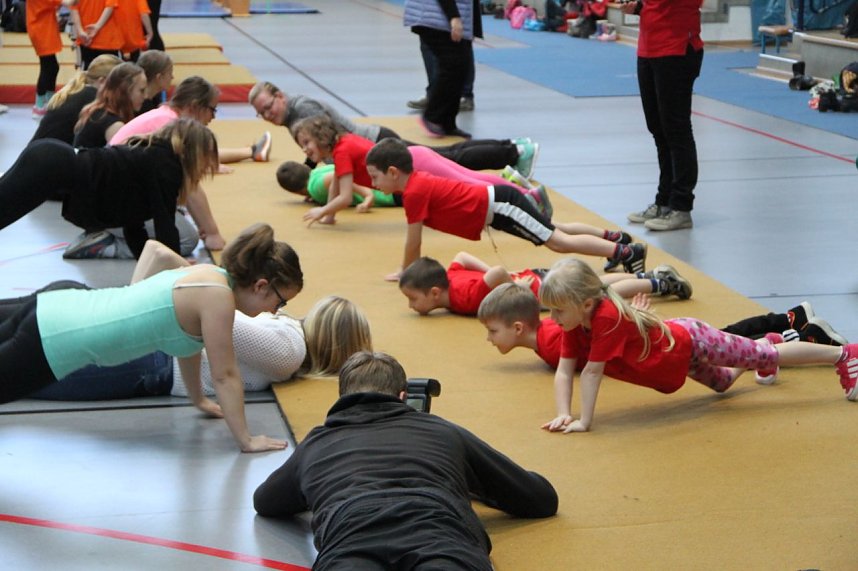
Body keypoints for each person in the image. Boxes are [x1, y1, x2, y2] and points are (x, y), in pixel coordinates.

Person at [0, 223, 303, 452]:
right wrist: (246, 440)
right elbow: (225, 375)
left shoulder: (210, 276)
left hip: (57, 307)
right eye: (281, 301)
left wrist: (198, 400)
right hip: (56, 336)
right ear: (261, 286)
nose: (277, 310)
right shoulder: (218, 299)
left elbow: (189, 346)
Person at [253, 350, 558, 569]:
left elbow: (266, 502)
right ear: (402, 396)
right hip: (438, 526)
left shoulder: (317, 443)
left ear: (342, 397)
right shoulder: (442, 431)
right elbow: (538, 499)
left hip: (352, 531)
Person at [537, 258, 858, 434]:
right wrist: (564, 414)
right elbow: (565, 371)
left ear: (587, 303)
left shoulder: (605, 317)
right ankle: (767, 342)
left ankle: (844, 355)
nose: (552, 318)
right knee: (721, 384)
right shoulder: (577, 322)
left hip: (694, 340)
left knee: (767, 356)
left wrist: (585, 421)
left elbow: (592, 372)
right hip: (678, 357)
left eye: (558, 310)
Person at [24, 240, 373, 400]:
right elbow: (212, 319)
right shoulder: (287, 349)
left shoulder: (283, 337)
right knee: (27, 374)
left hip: (147, 350)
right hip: (151, 359)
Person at [365, 137, 648, 281]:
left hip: (501, 204)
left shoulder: (414, 192)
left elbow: (413, 241)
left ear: (392, 172)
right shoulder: (413, 187)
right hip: (497, 207)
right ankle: (616, 243)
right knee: (556, 232)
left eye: (375, 177)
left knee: (558, 242)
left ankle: (626, 252)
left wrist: (406, 271)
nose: (373, 184)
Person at [0, 118, 218, 258]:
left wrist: (150, 262)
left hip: (51, 157)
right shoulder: (166, 166)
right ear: (193, 152)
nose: (206, 167)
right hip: (52, 165)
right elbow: (165, 226)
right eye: (206, 159)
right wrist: (178, 270)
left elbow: (133, 226)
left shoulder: (153, 157)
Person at [292, 117, 547, 225]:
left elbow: (345, 196)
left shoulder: (342, 150)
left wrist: (322, 211)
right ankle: (521, 189)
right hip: (413, 158)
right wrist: (329, 217)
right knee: (470, 178)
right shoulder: (341, 148)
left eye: (306, 143)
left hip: (415, 163)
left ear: (321, 136)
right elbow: (338, 182)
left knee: (470, 183)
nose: (304, 149)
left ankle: (524, 197)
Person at [249, 80, 538, 173]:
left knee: (448, 160)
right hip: (376, 143)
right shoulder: (294, 113)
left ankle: (513, 152)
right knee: (446, 155)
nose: (267, 114)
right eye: (261, 113)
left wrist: (312, 178)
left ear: (280, 96)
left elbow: (328, 145)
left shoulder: (302, 112)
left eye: (268, 106)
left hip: (378, 147)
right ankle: (510, 148)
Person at [622, 0, 704, 231]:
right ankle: (664, 200)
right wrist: (638, 6)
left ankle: (681, 206)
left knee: (676, 130)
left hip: (676, 48)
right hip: (650, 47)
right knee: (658, 129)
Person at [402, 253, 691, 316]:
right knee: (597, 282)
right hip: (532, 276)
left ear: (435, 292)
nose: (412, 306)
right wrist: (508, 277)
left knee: (600, 290)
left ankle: (660, 283)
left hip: (539, 291)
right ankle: (648, 277)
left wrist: (517, 288)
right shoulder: (449, 276)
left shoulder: (464, 297)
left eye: (413, 299)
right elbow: (461, 257)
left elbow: (497, 272)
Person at [111, 75, 272, 165]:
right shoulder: (169, 122)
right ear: (195, 106)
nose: (213, 117)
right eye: (212, 110)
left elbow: (200, 156)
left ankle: (252, 151)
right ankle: (252, 151)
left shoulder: (168, 115)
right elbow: (200, 159)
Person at [403, 0, 481, 138]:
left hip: (450, 16)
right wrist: (454, 17)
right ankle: (433, 116)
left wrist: (472, 27)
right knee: (451, 65)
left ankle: (447, 123)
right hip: (437, 17)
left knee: (460, 67)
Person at [30, 53, 122, 145]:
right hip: (45, 155)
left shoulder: (79, 92)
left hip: (38, 153)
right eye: (120, 86)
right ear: (102, 82)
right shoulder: (91, 98)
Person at [73, 61, 147, 148]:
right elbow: (126, 159)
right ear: (125, 91)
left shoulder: (96, 111)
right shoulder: (114, 125)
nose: (145, 96)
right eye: (141, 91)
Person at [26, 0, 77, 119]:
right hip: (41, 29)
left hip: (42, 27)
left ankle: (48, 100)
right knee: (48, 67)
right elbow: (67, 2)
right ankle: (40, 105)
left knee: (51, 66)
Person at [277, 161, 400, 210]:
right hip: (389, 181)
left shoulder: (315, 187)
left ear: (296, 192)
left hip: (387, 194)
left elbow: (336, 177)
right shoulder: (317, 172)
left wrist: (366, 194)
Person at [70, 0, 123, 69]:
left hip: (87, 37)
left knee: (89, 74)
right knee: (111, 73)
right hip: (106, 39)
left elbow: (73, 8)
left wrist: (80, 31)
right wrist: (97, 26)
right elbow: (110, 6)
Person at [135, 49, 172, 114]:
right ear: (159, 77)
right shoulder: (143, 108)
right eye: (170, 73)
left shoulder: (155, 99)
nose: (172, 77)